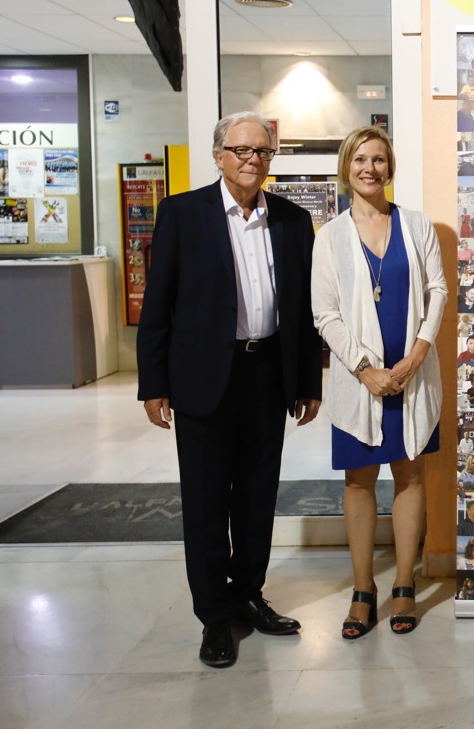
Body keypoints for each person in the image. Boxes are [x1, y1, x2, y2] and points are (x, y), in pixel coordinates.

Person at [137, 111, 323, 669]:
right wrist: (154, 382)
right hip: (201, 378)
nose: (252, 161)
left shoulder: (292, 220)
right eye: (241, 150)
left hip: (266, 373)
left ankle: (249, 595)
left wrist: (307, 381)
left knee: (258, 497)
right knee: (205, 499)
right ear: (218, 155)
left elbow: (304, 312)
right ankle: (215, 617)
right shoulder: (182, 214)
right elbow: (158, 305)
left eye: (262, 152)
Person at [311, 125, 446, 639]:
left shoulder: (415, 226)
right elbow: (324, 314)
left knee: (410, 477)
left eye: (379, 160)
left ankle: (406, 583)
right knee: (359, 481)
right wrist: (365, 371)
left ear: (391, 167)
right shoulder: (330, 237)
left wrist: (415, 358)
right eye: (360, 159)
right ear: (346, 167)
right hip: (357, 382)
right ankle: (364, 589)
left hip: (413, 376)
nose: (370, 168)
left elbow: (437, 290)